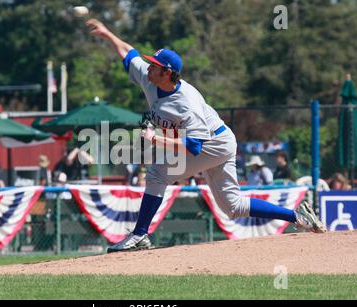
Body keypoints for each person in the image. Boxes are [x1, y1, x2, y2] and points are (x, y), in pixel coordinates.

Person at [86, 19, 326, 252]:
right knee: (233, 207)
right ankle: (297, 216)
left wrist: (156, 139)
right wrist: (107, 34)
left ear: (168, 73)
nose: (148, 67)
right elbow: (129, 52)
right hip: (220, 141)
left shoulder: (186, 103)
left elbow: (194, 147)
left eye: (154, 65)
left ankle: (140, 235)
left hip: (214, 144)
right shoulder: (151, 80)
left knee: (157, 172)